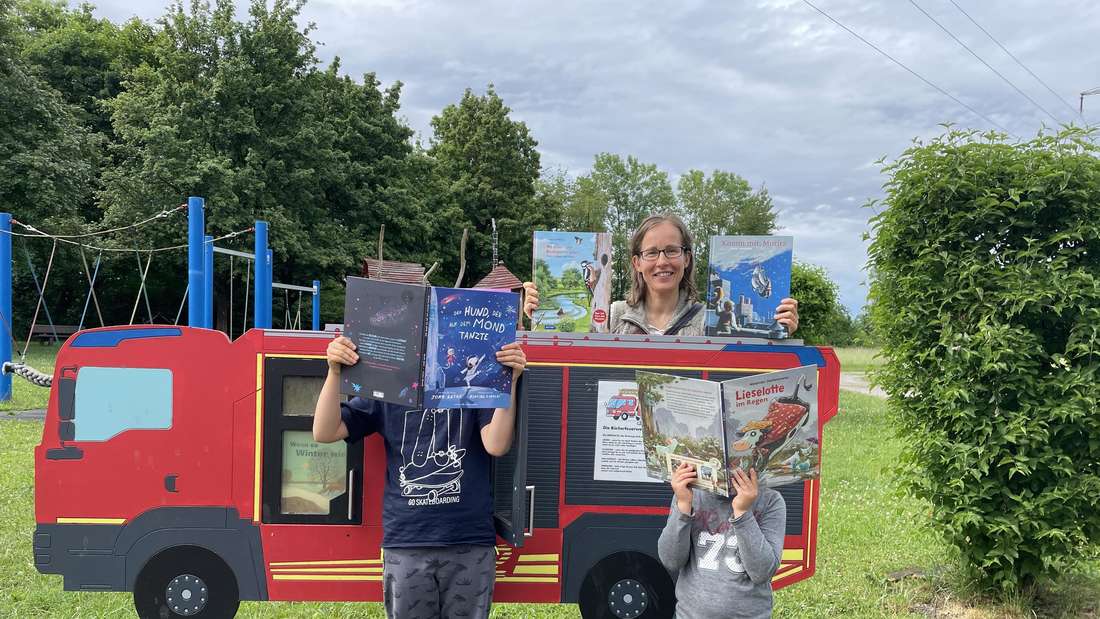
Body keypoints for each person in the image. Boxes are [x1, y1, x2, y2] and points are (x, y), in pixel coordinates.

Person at [313, 335, 527, 619]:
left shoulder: (472, 388)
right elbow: (325, 431)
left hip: (469, 539)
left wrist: (508, 381)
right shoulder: (387, 388)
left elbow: (496, 444)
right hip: (407, 541)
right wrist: (334, 371)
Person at [522, 214, 799, 336]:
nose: (662, 261)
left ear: (687, 258)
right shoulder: (611, 317)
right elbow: (565, 362)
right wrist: (540, 312)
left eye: (672, 250)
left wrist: (779, 330)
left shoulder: (710, 323)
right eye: (652, 253)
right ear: (637, 263)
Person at [657, 463, 787, 619]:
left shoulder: (771, 501)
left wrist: (742, 512)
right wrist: (683, 504)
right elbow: (671, 560)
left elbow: (762, 572)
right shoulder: (689, 494)